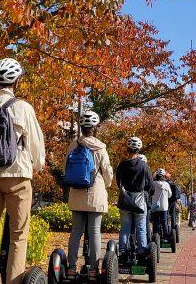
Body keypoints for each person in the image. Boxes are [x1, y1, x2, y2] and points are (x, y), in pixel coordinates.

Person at [0, 58, 46, 284]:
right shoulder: (23, 107)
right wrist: (38, 166)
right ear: (16, 81)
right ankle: (13, 281)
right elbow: (36, 143)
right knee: (18, 235)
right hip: (17, 175)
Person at [65, 111, 114, 279]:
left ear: (81, 127)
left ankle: (71, 268)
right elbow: (107, 171)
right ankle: (93, 269)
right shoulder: (101, 147)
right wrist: (106, 185)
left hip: (76, 193)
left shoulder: (74, 144)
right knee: (94, 232)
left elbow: (67, 166)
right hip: (95, 194)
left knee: (76, 231)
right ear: (95, 128)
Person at [116, 137, 155, 256]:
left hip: (126, 200)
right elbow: (151, 185)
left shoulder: (122, 164)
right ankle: (141, 251)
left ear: (128, 149)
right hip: (139, 199)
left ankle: (122, 251)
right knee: (141, 227)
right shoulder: (143, 165)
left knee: (125, 228)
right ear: (139, 149)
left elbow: (118, 181)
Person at [151, 168, 172, 238]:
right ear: (164, 176)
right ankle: (166, 235)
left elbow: (150, 193)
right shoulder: (166, 184)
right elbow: (170, 195)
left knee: (155, 222)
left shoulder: (153, 184)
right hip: (164, 206)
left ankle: (155, 235)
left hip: (154, 207)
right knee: (164, 222)